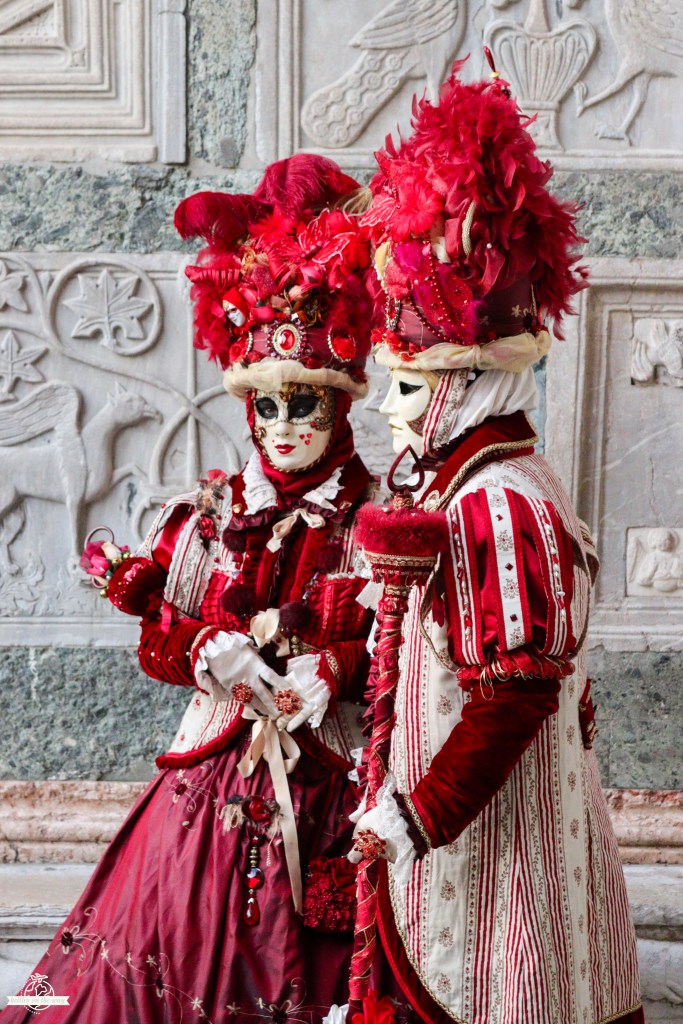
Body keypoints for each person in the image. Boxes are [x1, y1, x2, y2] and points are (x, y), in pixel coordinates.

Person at [1, 155, 379, 1024]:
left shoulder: (377, 519)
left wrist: (337, 667)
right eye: (268, 408)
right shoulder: (213, 508)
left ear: (341, 405)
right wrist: (210, 648)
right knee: (131, 948)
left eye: (307, 405)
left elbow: (404, 639)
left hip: (328, 775)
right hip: (207, 775)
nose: (284, 429)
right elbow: (158, 635)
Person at [343, 60, 643, 1024]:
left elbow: (513, 694)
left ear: (463, 384)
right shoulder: (483, 483)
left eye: (405, 386)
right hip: (489, 839)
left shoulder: (497, 503)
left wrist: (416, 814)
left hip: (491, 858)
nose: (387, 414)